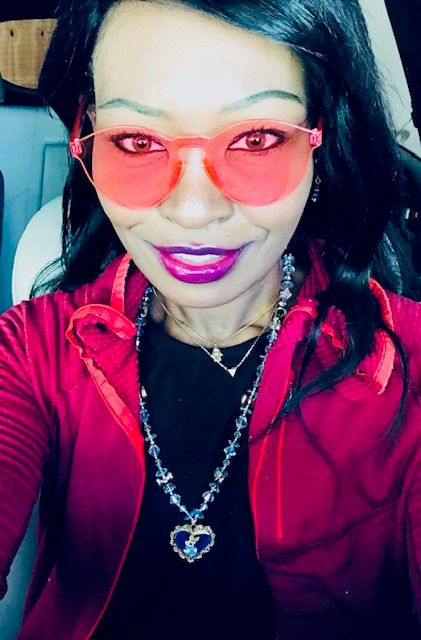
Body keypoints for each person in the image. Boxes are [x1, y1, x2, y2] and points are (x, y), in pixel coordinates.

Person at [1, 0, 421, 638]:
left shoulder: (408, 366)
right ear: (87, 138)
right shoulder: (32, 350)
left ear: (320, 137)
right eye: (137, 141)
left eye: (256, 139)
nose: (194, 211)